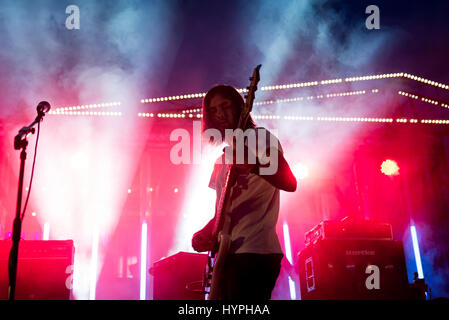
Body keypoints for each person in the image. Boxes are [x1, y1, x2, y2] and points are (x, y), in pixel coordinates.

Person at [192, 84, 297, 300]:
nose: (220, 114)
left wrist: (254, 166)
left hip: (255, 252)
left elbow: (290, 182)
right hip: (226, 255)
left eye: (225, 106)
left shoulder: (260, 138)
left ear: (241, 107)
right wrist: (205, 233)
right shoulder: (221, 160)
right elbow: (223, 212)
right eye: (213, 110)